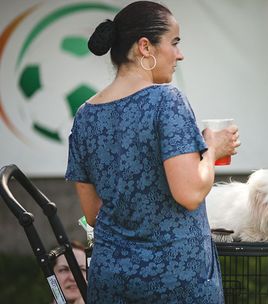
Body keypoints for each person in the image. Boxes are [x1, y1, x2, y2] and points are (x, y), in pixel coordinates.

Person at [65, 1, 240, 302]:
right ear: (145, 47)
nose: (179, 54)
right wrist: (211, 150)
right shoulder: (166, 100)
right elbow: (190, 192)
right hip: (175, 280)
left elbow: (93, 215)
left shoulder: (85, 114)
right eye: (174, 43)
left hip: (111, 280)